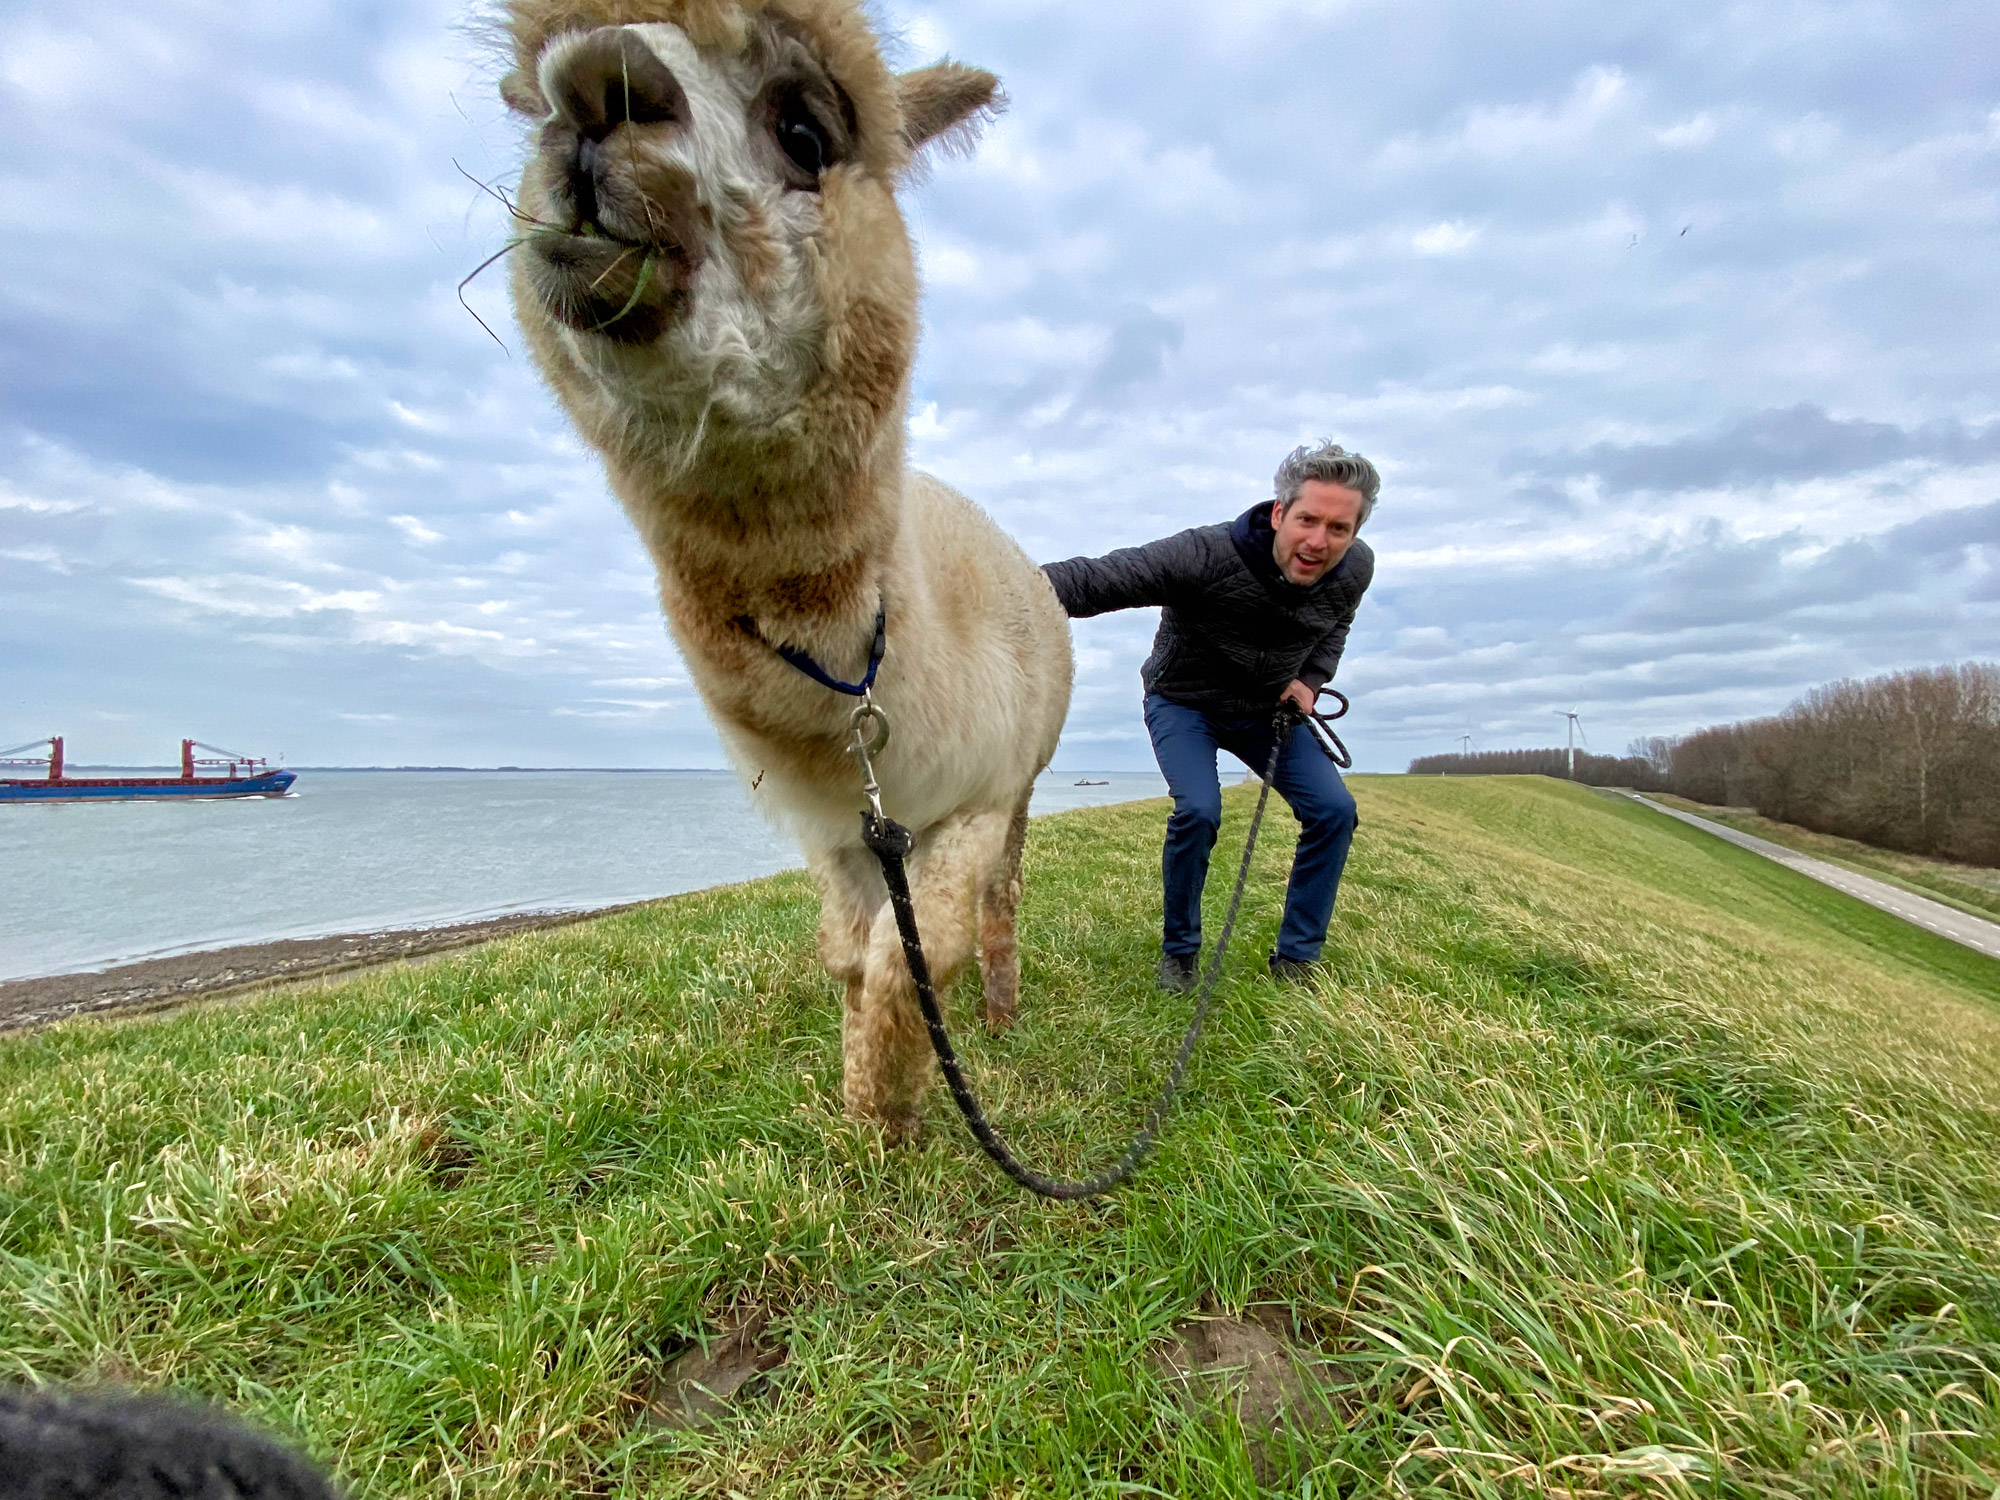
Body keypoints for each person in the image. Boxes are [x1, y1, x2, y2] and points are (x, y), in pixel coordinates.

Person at [1042, 441, 1377, 990]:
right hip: (1183, 701)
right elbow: (1095, 579)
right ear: (1278, 513)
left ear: (1354, 533)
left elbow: (1335, 627)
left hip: (1266, 711)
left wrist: (1310, 681)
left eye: (1338, 529)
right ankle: (1180, 953)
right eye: (1307, 520)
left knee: (1334, 811)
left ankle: (1296, 960)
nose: (1319, 542)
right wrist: (987, 581)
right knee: (1199, 809)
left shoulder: (1354, 570)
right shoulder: (1205, 554)